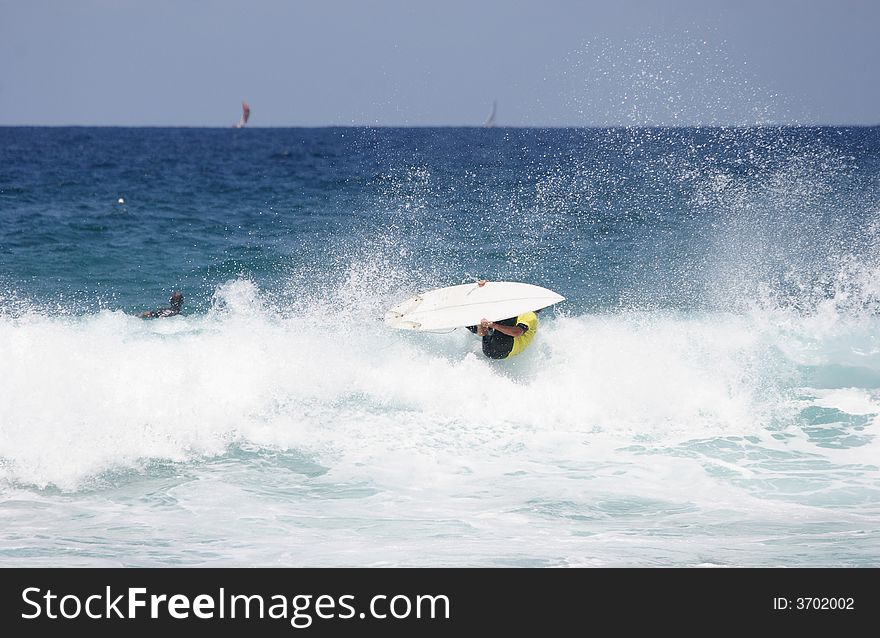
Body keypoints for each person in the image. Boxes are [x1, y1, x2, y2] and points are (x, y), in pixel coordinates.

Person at [466, 280, 538, 359]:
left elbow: (517, 332)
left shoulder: (530, 315)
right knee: (488, 320)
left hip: (504, 348)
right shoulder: (520, 310)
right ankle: (477, 326)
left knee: (505, 312)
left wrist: (493, 325)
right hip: (489, 349)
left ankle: (484, 324)